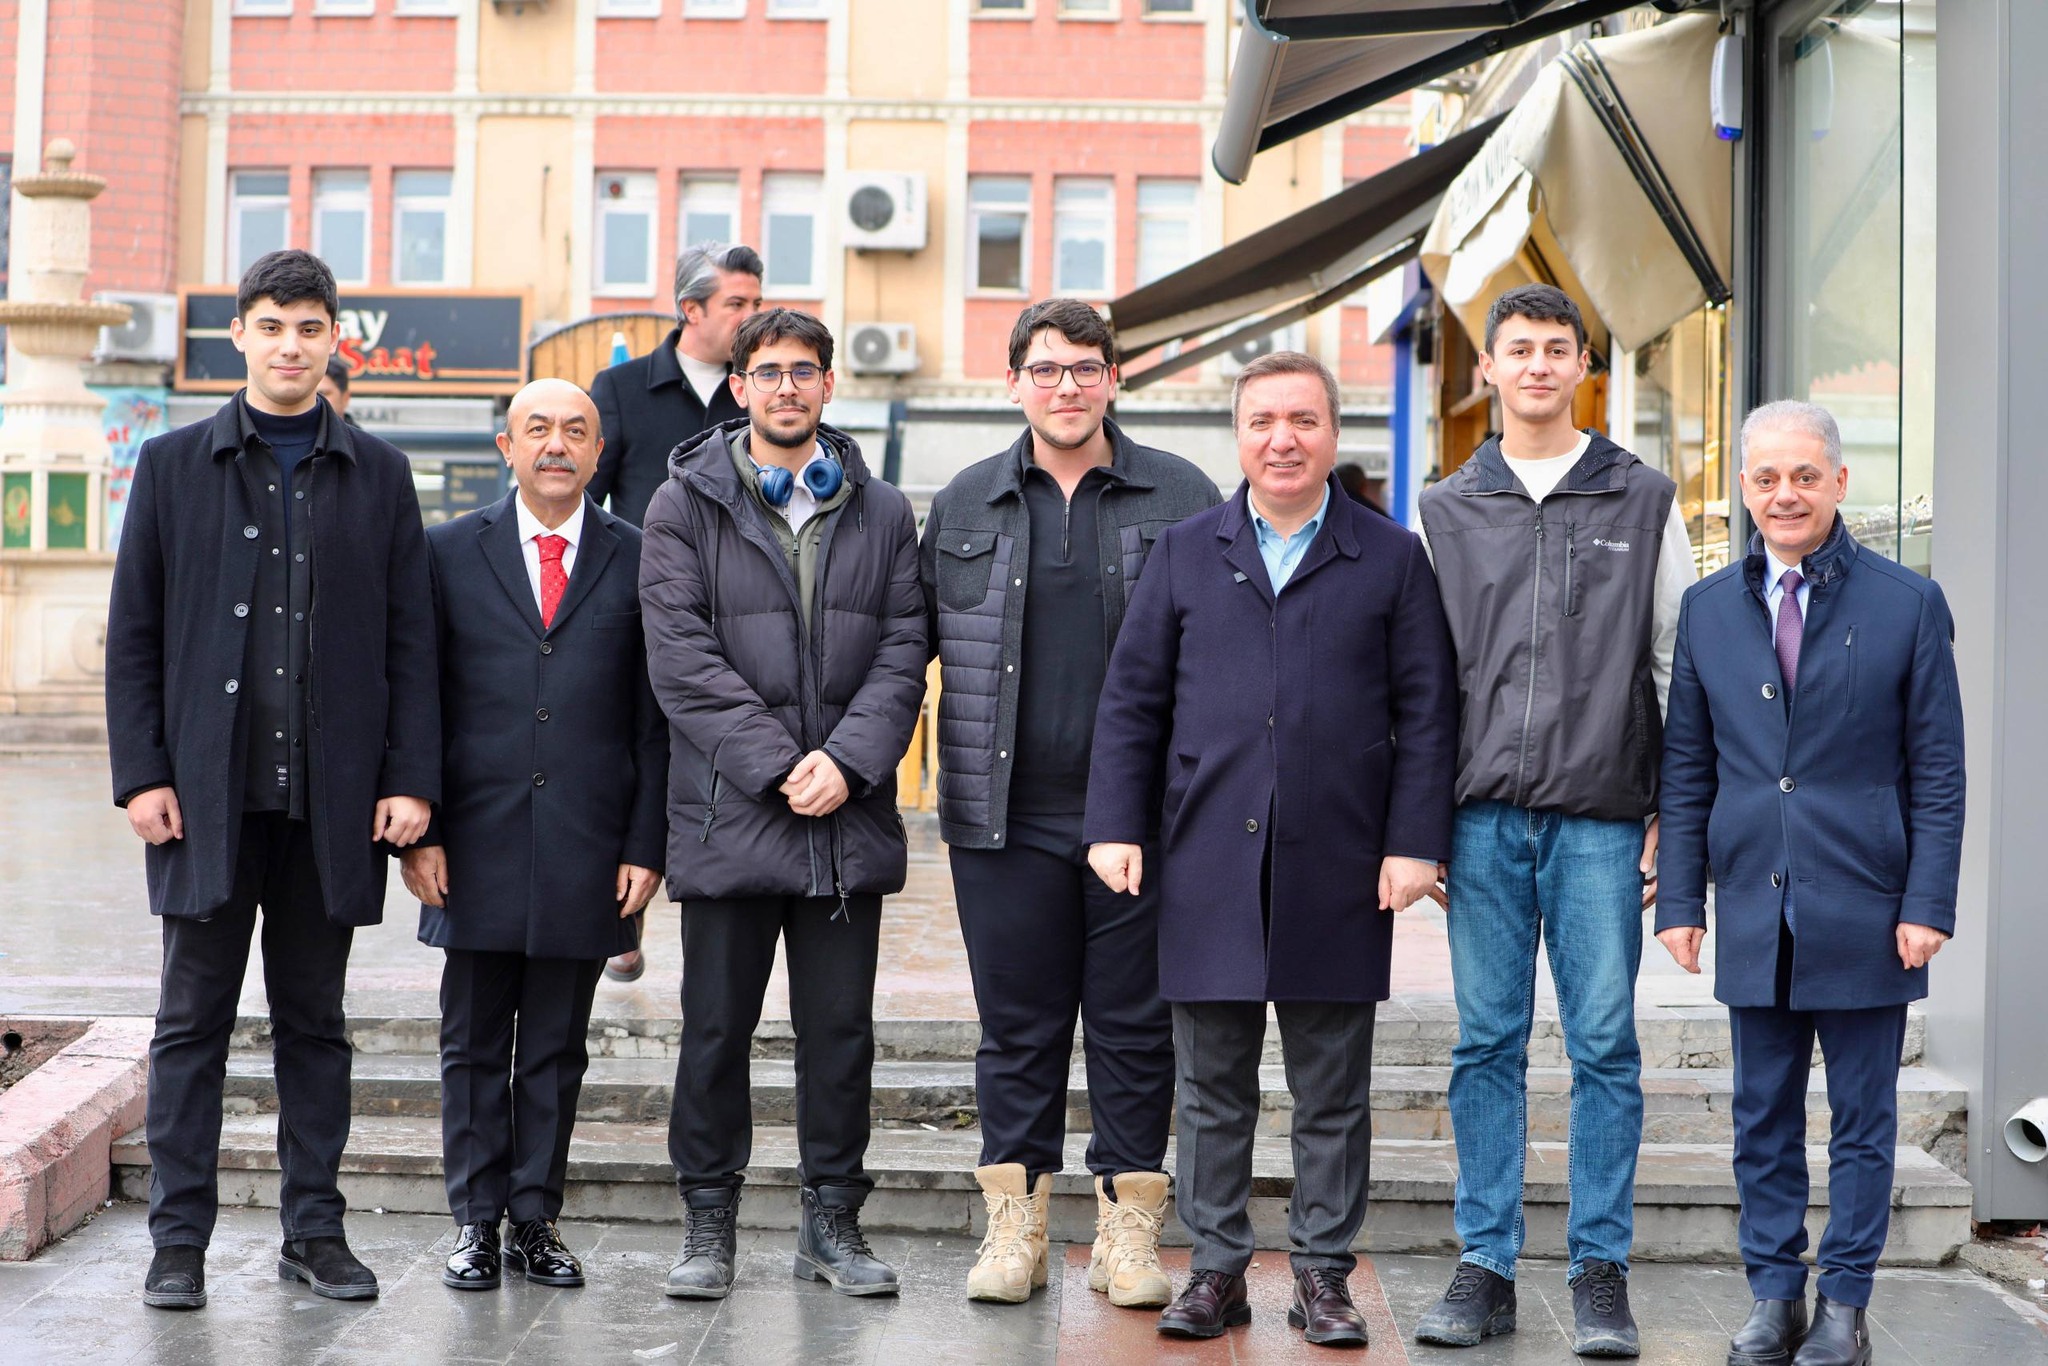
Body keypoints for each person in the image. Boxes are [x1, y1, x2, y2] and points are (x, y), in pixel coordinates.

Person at [1086, 352, 1459, 1349]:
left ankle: (1323, 1276)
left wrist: (1413, 843)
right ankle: (1212, 1271)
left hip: (1339, 863)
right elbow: (1131, 700)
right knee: (1208, 1088)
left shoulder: (1387, 556)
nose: (1281, 438)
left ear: (1332, 435)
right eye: (1261, 421)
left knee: (1331, 1090)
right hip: (1205, 855)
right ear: (1238, 436)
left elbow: (1427, 712)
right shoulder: (1184, 549)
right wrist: (1114, 823)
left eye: (1301, 419)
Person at [105, 249, 439, 1310]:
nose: (290, 344)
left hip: (329, 804)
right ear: (238, 337)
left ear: (336, 338)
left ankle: (314, 1233)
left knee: (315, 1025)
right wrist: (140, 773)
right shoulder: (169, 465)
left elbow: (410, 642)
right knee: (190, 1024)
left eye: (308, 326)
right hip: (204, 799)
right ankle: (178, 1243)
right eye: (270, 325)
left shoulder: (379, 474)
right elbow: (136, 635)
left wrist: (410, 779)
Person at [920, 299, 1219, 1309]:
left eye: (1084, 368)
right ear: (1013, 383)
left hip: (1137, 819)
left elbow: (1216, 656)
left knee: (1135, 1026)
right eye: (1044, 370)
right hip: (999, 814)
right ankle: (1018, 1226)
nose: (1065, 386)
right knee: (1017, 1026)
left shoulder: (1178, 494)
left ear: (1113, 378)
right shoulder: (964, 501)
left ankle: (1127, 1234)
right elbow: (901, 649)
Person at [1411, 284, 1691, 1358]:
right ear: (1486, 369)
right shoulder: (1444, 507)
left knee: (1604, 1043)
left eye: (1554, 348)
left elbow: (1675, 664)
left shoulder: (1642, 497)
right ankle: (1483, 1264)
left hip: (1602, 818)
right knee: (1485, 1042)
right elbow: (1419, 683)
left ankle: (1596, 1268)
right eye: (1516, 348)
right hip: (1477, 819)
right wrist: (1417, 823)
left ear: (1584, 364)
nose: (1535, 364)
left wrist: (1676, 809)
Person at [1655, 400, 1963, 1366]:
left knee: (1864, 1122)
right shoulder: (1708, 610)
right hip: (1754, 898)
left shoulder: (1908, 603)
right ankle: (1774, 1295)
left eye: (1802, 476)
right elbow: (1688, 766)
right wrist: (1678, 901)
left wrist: (1927, 902)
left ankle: (1846, 1306)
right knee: (1762, 1117)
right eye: (1763, 479)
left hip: (1869, 903)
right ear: (1743, 489)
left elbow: (1939, 769)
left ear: (1838, 482)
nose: (1782, 495)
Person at [640, 308, 926, 1300]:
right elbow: (680, 661)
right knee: (714, 1029)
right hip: (729, 815)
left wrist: (845, 762)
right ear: (737, 387)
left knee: (839, 1034)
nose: (786, 388)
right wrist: (779, 765)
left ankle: (831, 1224)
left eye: (804, 371)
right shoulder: (682, 506)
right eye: (767, 372)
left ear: (828, 385)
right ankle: (707, 1226)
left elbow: (903, 652)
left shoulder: (884, 512)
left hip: (845, 823)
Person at [399, 379, 668, 1294]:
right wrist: (417, 829)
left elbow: (653, 721)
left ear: (600, 454)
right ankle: (475, 1220)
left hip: (590, 846)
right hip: (470, 841)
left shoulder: (641, 558)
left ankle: (535, 1219)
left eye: (577, 432)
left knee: (557, 1042)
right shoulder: (445, 553)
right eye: (539, 429)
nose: (558, 445)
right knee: (472, 1039)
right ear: (506, 446)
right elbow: (419, 699)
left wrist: (646, 843)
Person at [589, 242, 763, 984]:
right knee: (626, 764)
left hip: (743, 628)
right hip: (641, 620)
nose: (755, 317)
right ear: (691, 310)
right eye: (738, 304)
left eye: (759, 302)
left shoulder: (764, 391)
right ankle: (618, 923)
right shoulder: (622, 389)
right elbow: (586, 500)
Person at [317, 358, 359, 426]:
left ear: (345, 398)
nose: (314, 399)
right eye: (308, 394)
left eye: (322, 393)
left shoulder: (359, 436)